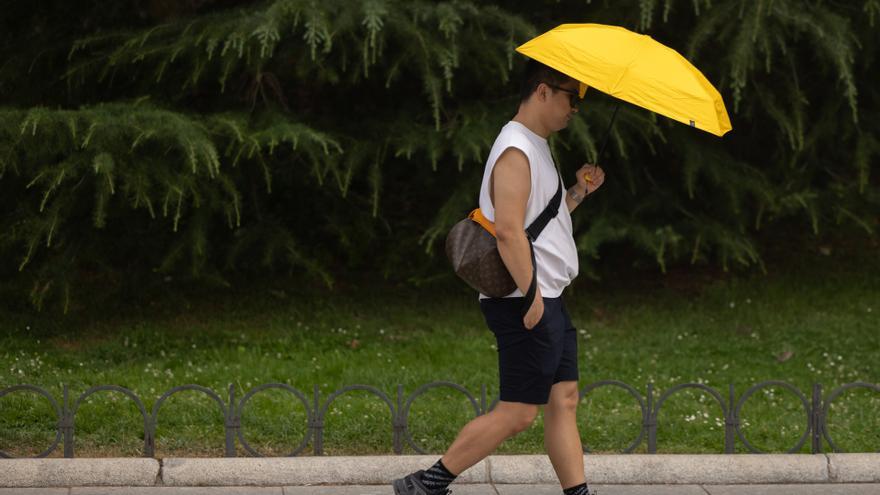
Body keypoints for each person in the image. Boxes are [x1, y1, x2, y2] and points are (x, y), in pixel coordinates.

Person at [392, 59, 606, 495]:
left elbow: (540, 223)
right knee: (518, 413)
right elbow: (508, 231)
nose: (574, 109)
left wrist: (579, 191)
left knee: (564, 400)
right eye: (570, 97)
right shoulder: (515, 150)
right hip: (524, 299)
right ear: (543, 91)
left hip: (546, 297)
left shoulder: (536, 145)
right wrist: (531, 299)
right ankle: (427, 483)